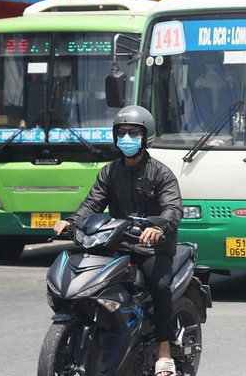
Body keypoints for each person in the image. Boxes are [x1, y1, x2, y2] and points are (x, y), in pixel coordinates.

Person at [53, 105, 183, 376]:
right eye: (121, 132)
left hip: (152, 248)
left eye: (133, 132)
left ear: (145, 137)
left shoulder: (161, 174)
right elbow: (91, 204)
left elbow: (173, 209)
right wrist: (70, 221)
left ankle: (164, 351)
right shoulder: (109, 172)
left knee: (159, 286)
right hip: (116, 244)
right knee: (87, 280)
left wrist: (159, 226)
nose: (126, 137)